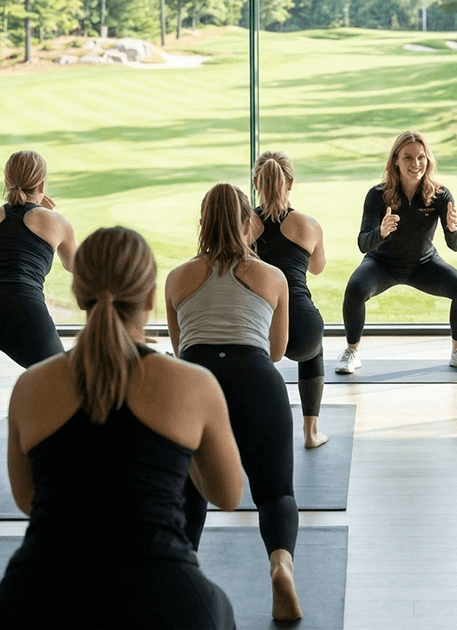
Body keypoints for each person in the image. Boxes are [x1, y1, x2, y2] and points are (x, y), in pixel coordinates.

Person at [0, 226, 243, 630]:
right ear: (148, 297)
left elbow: (28, 500)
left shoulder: (30, 387)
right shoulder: (194, 384)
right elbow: (228, 496)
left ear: (77, 294)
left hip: (36, 597)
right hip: (165, 597)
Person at [166, 184, 302, 622]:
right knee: (275, 491)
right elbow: (277, 351)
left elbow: (180, 347)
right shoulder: (272, 276)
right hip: (256, 377)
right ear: (250, 222)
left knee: (189, 492)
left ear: (202, 222)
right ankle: (280, 564)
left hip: (195, 381)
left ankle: (185, 581)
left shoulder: (177, 277)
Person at [0, 150, 77, 469]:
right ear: (42, 182)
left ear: (7, 181)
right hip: (22, 306)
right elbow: (74, 266)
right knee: (63, 379)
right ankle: (59, 451)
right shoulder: (56, 221)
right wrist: (52, 218)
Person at [338, 130, 457, 374]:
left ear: (428, 159)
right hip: (382, 265)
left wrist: (453, 228)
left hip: (423, 264)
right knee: (355, 289)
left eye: (421, 157)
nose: (416, 164)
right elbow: (363, 244)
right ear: (395, 160)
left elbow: (455, 245)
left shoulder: (440, 195)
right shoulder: (377, 195)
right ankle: (352, 351)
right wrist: (380, 233)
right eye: (408, 158)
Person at [253, 151, 330, 448]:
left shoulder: (243, 223)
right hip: (302, 330)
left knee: (253, 360)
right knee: (314, 350)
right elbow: (317, 267)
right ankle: (311, 433)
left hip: (258, 327)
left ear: (257, 183)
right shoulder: (308, 225)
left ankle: (256, 428)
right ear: (290, 183)